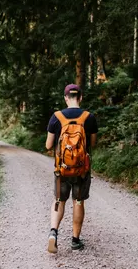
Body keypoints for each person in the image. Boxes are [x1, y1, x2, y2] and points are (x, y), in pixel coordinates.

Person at [45, 84, 98, 253]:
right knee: (78, 201)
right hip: (82, 171)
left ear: (66, 98)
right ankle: (75, 241)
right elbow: (93, 144)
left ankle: (53, 233)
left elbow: (48, 145)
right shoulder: (89, 117)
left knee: (59, 200)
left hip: (62, 170)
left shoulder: (56, 117)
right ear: (81, 98)